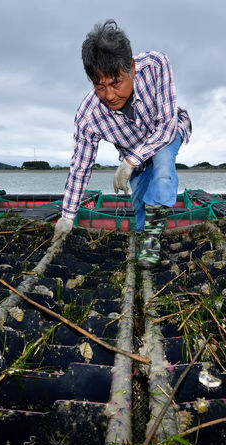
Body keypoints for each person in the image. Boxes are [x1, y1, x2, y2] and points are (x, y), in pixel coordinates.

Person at [52, 19, 191, 268]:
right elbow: (80, 167)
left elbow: (167, 126)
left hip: (166, 132)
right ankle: (147, 238)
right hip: (131, 154)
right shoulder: (88, 115)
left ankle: (151, 241)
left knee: (162, 165)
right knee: (140, 206)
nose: (109, 95)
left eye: (116, 84)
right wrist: (67, 216)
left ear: (132, 68)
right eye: (100, 86)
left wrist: (131, 161)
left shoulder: (156, 65)